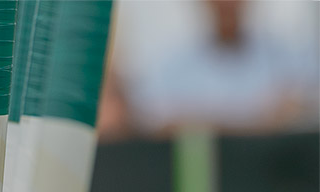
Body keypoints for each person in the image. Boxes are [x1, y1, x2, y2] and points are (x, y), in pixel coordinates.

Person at [119, 0, 319, 136]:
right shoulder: (172, 67)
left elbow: (303, 108)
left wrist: (204, 124)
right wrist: (259, 122)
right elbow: (155, 124)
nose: (226, 4)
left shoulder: (285, 56)